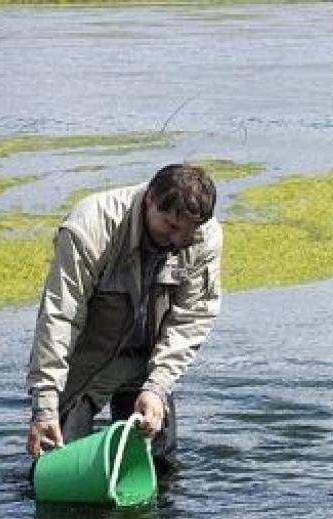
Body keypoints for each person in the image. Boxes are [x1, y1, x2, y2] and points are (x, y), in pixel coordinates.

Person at [25, 164, 222, 471]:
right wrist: (45, 407)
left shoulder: (202, 237)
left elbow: (192, 319)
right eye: (170, 226)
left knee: (158, 469)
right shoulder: (90, 227)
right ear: (150, 201)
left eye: (187, 231)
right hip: (88, 361)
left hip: (150, 362)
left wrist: (157, 387)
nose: (177, 239)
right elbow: (59, 317)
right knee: (56, 465)